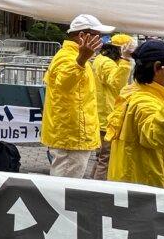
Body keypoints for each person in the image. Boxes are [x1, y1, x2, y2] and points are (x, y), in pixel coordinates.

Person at [105, 40, 164, 191]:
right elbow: (160, 135)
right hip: (149, 189)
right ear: (158, 67)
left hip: (134, 183)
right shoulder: (144, 101)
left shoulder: (135, 91)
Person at [42, 14, 114, 179]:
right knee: (64, 190)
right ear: (83, 36)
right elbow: (64, 83)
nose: (102, 41)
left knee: (66, 188)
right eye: (98, 36)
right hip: (71, 138)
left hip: (75, 136)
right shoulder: (68, 58)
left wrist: (82, 59)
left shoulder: (76, 57)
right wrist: (80, 60)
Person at [92, 34, 134, 180]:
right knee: (105, 158)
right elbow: (117, 83)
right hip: (107, 117)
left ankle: (93, 183)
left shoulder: (101, 59)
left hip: (102, 115)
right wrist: (126, 61)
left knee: (101, 157)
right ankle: (98, 190)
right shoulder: (107, 63)